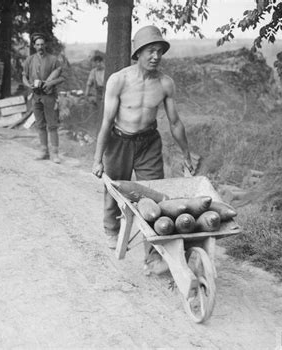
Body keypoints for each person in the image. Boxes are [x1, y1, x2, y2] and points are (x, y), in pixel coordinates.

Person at [91, 25, 194, 274]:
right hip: (118, 141)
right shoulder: (119, 80)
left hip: (148, 142)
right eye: (150, 50)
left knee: (153, 197)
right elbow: (106, 122)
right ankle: (112, 230)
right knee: (115, 188)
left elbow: (175, 123)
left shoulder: (165, 84)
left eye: (159, 51)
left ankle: (152, 255)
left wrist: (186, 153)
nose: (155, 56)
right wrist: (97, 159)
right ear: (137, 53)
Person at [22, 33, 65, 164]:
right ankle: (44, 151)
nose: (40, 47)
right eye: (37, 45)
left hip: (49, 96)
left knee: (52, 125)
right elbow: (24, 76)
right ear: (34, 46)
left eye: (42, 44)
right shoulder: (29, 60)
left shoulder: (53, 60)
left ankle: (55, 153)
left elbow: (62, 77)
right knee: (40, 124)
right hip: (36, 97)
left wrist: (50, 83)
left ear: (45, 45)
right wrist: (28, 84)